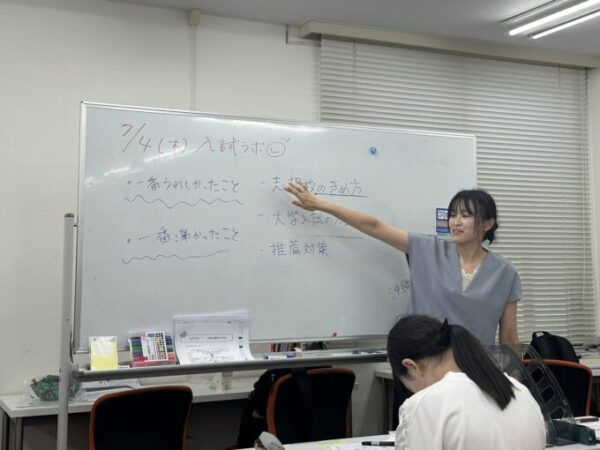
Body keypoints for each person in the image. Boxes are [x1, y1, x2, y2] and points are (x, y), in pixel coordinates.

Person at [284, 182, 520, 346]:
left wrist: (515, 381)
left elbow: (509, 335)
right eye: (452, 215)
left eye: (465, 215)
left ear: (488, 224)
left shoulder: (505, 273)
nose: (455, 222)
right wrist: (321, 204)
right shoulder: (428, 250)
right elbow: (374, 226)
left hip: (476, 373)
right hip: (424, 367)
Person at [387, 315, 546, 450]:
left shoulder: (424, 405)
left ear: (411, 366)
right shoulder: (521, 392)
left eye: (412, 389)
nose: (417, 394)